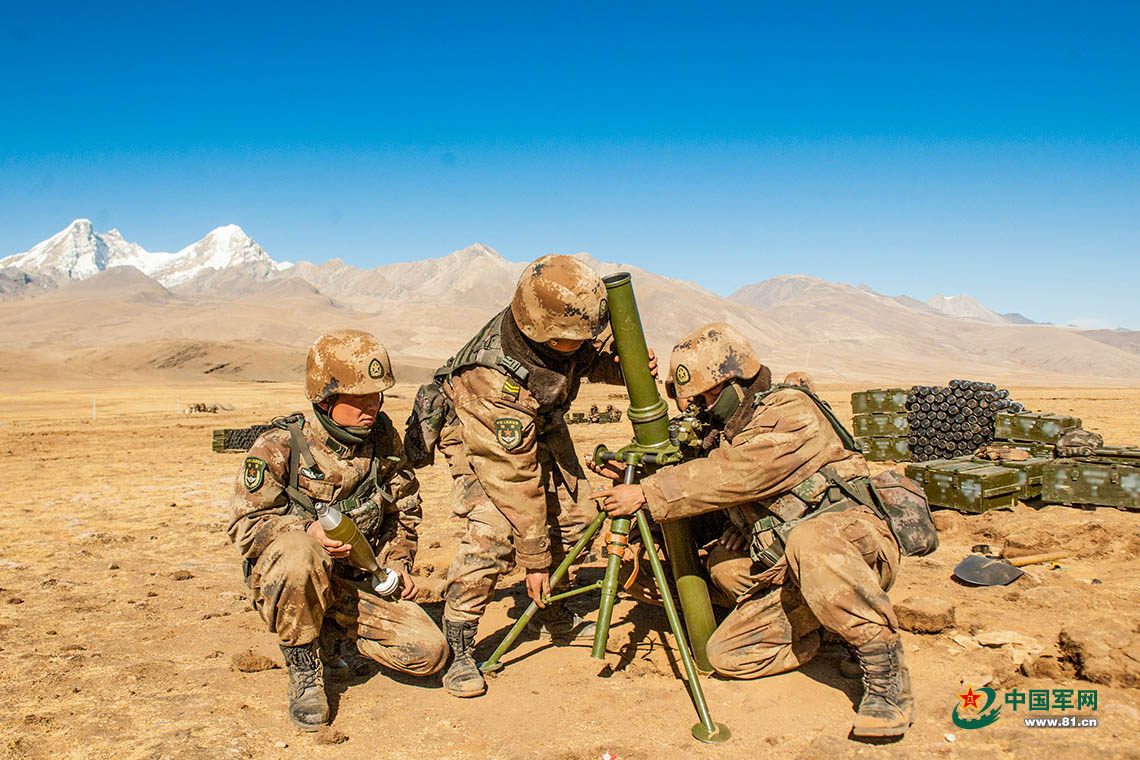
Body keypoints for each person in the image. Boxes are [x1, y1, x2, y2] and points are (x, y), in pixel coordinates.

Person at [591, 323, 913, 738]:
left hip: (853, 547)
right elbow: (712, 490)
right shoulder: (728, 430)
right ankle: (821, 626)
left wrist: (648, 493)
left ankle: (886, 674)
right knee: (727, 650)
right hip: (789, 562)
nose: (700, 407)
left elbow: (737, 473)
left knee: (811, 540)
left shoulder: (789, 412)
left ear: (736, 382)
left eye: (707, 396)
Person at [430, 254, 652, 698]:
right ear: (540, 332)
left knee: (577, 516)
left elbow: (582, 357)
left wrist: (626, 364)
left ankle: (551, 611)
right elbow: (516, 482)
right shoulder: (490, 380)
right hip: (480, 432)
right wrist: (534, 559)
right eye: (574, 340)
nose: (584, 343)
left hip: (542, 420)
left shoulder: (560, 329)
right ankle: (459, 646)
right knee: (495, 531)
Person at [228, 330, 447, 731]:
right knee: (298, 552)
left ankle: (334, 637)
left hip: (357, 582)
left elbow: (404, 508)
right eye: (359, 398)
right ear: (324, 398)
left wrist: (398, 564)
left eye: (376, 396)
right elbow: (245, 527)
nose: (372, 407)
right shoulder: (281, 444)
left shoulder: (383, 439)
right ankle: (304, 666)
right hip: (295, 582)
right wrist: (306, 529)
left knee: (428, 652)